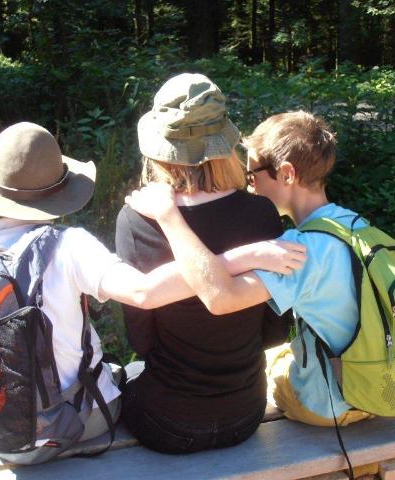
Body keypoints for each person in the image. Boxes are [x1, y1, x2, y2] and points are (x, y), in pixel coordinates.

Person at [0, 121, 305, 461]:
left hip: (0, 433)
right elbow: (145, 292)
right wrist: (244, 257)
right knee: (122, 378)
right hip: (86, 423)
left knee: (133, 375)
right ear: (58, 190)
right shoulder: (68, 246)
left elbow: (142, 340)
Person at [126, 110, 372, 428]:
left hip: (333, 402)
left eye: (253, 175)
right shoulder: (352, 224)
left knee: (278, 369)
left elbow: (220, 299)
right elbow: (273, 332)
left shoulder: (298, 250)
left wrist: (170, 217)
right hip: (373, 378)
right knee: (274, 358)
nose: (249, 187)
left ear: (286, 174)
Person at [115, 73, 298, 454]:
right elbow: (275, 332)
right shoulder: (261, 213)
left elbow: (141, 340)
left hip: (166, 423)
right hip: (246, 415)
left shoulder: (137, 219)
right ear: (224, 142)